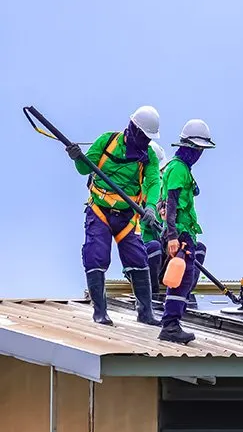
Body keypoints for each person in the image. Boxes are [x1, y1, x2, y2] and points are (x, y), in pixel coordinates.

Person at [66, 106, 163, 327]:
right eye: (144, 136)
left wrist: (150, 207)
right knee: (96, 255)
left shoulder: (148, 156)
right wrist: (77, 158)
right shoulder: (106, 141)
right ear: (133, 129)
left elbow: (153, 182)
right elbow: (84, 168)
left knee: (138, 259)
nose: (146, 142)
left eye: (149, 138)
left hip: (127, 216)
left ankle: (145, 313)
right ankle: (100, 312)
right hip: (99, 210)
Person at [158, 119, 216, 343]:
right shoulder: (178, 169)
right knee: (180, 279)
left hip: (184, 232)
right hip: (180, 233)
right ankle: (170, 325)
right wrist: (173, 236)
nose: (199, 154)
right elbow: (171, 203)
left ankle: (173, 323)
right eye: (198, 149)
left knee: (185, 278)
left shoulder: (180, 169)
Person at [142, 142, 169, 304]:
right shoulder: (137, 187)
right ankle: (153, 296)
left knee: (192, 249)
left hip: (163, 255)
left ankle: (182, 295)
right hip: (142, 255)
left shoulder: (165, 189)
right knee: (153, 247)